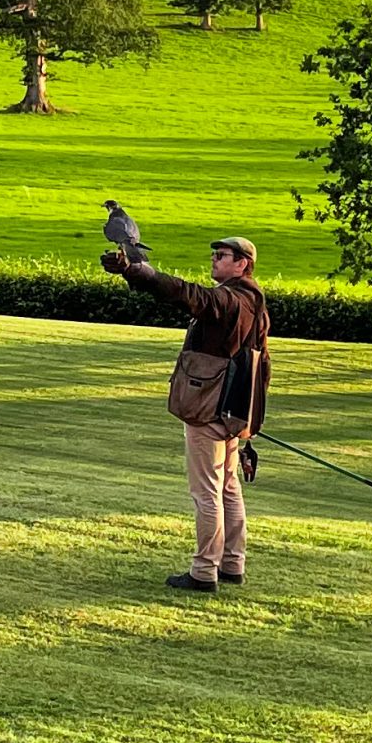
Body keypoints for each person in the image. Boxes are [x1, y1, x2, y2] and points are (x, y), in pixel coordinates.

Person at [101, 234, 269, 593]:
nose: (214, 259)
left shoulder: (229, 299)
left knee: (207, 492)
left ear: (242, 264)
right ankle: (232, 564)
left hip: (208, 409)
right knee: (228, 488)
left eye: (222, 255)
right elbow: (262, 365)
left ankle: (204, 571)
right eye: (215, 254)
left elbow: (190, 296)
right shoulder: (254, 301)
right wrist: (248, 422)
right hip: (231, 412)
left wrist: (142, 273)